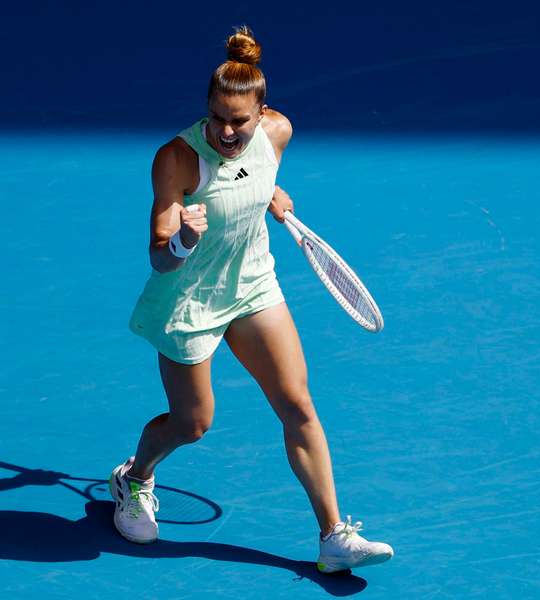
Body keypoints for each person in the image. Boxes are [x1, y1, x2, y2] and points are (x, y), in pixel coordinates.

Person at [109, 26, 393, 573]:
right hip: (188, 300)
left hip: (254, 285)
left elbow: (253, 179)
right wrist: (185, 239)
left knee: (298, 405)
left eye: (240, 120)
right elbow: (159, 257)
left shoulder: (278, 133)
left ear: (263, 114)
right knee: (193, 424)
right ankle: (135, 477)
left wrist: (270, 197)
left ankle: (334, 536)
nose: (227, 130)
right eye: (217, 117)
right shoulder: (176, 158)